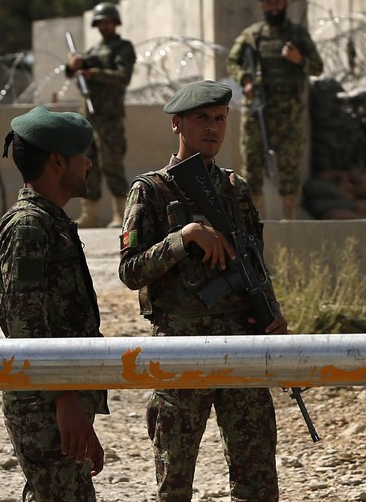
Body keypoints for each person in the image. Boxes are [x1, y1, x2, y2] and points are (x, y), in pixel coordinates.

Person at [118, 80, 288, 501]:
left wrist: (272, 311)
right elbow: (130, 270)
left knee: (257, 478)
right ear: (177, 124)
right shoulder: (152, 190)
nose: (212, 128)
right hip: (181, 348)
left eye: (219, 120)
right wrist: (184, 238)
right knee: (175, 481)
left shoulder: (236, 188)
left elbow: (254, 262)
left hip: (240, 343)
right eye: (201, 119)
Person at [0, 106, 108, 501]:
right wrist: (65, 400)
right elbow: (27, 325)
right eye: (81, 155)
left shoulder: (48, 222)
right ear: (57, 161)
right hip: (45, 403)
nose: (89, 163)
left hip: (56, 398)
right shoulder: (29, 228)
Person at [226, 0, 324, 220]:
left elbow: (318, 67)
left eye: (277, 2)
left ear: (285, 4)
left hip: (288, 113)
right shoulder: (252, 36)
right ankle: (255, 222)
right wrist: (245, 80)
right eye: (268, 4)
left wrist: (299, 59)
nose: (273, 7)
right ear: (262, 7)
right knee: (252, 168)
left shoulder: (298, 35)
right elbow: (232, 62)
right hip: (256, 111)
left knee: (289, 168)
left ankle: (288, 220)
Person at [65, 1, 136, 229]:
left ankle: (120, 213)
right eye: (101, 22)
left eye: (108, 22)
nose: (105, 26)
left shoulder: (123, 47)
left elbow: (122, 77)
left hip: (110, 116)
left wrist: (94, 73)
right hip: (89, 117)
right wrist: (73, 65)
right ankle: (90, 214)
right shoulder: (93, 51)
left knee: (112, 163)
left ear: (115, 23)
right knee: (86, 165)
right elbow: (73, 72)